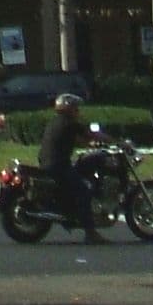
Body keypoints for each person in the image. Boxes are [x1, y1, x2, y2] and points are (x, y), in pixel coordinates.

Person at [37, 90, 98, 238]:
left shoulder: (55, 122)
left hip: (47, 163)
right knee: (85, 190)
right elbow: (92, 135)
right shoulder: (70, 123)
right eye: (75, 108)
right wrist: (118, 141)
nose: (78, 111)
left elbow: (74, 140)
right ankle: (91, 233)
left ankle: (72, 211)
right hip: (58, 165)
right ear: (68, 108)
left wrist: (89, 144)